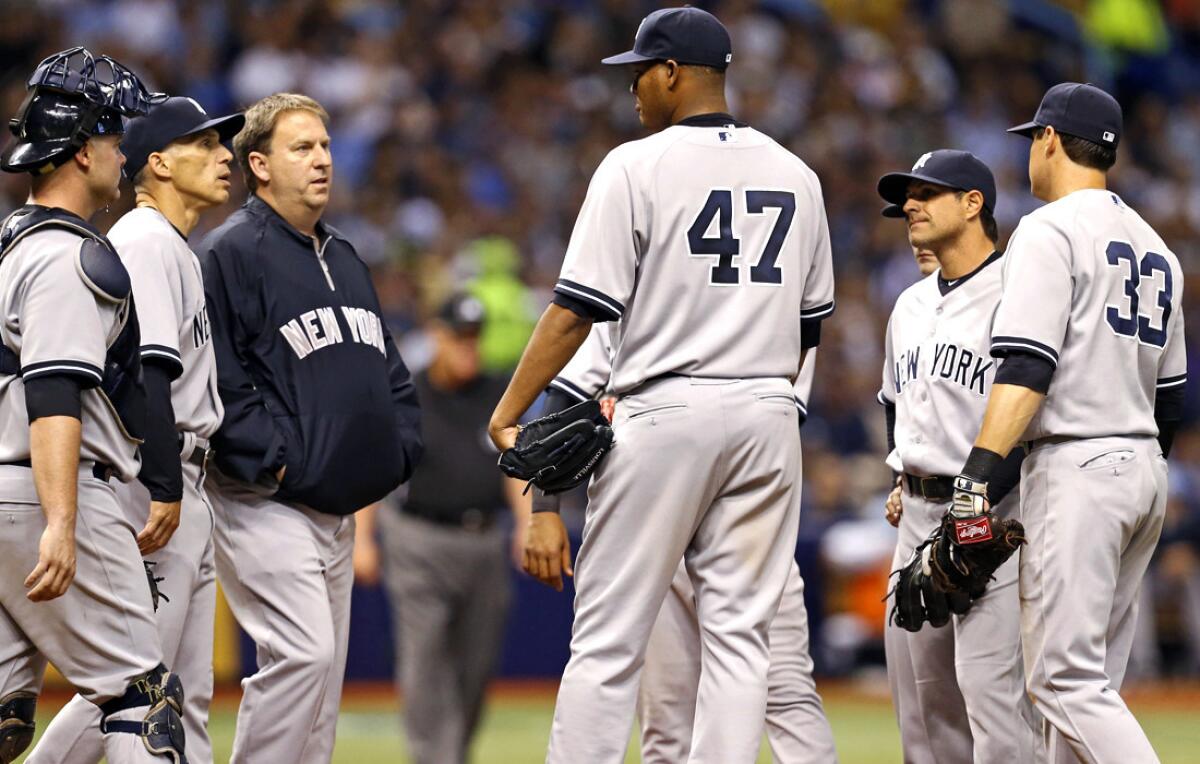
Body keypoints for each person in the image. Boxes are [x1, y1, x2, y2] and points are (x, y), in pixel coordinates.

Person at [488, 8, 836, 761]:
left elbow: (577, 311)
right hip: (768, 414)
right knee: (743, 640)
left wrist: (510, 410)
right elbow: (810, 328)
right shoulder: (797, 174)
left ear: (674, 72)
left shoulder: (634, 165)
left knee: (610, 639)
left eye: (640, 71)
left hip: (666, 405)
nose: (633, 88)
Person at [950, 82, 1186, 764]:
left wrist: (976, 482)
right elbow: (1170, 398)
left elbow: (1026, 370)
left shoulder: (1049, 229)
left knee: (1061, 681)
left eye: (1033, 140)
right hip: (1142, 468)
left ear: (1049, 140)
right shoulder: (1157, 248)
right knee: (1089, 689)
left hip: (1079, 465)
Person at [198, 92, 423, 764]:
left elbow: (389, 372)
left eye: (324, 146)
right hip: (263, 501)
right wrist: (280, 463)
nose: (322, 159)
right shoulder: (230, 252)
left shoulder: (346, 255)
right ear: (259, 166)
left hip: (338, 506)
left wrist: (398, 450)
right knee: (304, 653)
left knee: (321, 694)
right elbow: (221, 380)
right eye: (302, 148)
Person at [27, 96, 243, 764]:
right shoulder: (145, 242)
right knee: (133, 690)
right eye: (204, 146)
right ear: (159, 163)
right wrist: (162, 481)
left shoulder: (171, 247)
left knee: (181, 695)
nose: (225, 156)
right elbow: (147, 374)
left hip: (179, 477)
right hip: (152, 479)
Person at [0, 47, 187, 763]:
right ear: (80, 153)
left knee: (7, 719)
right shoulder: (68, 257)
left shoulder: (10, 243)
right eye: (113, 138)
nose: (123, 153)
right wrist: (60, 523)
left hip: (5, 490)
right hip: (45, 487)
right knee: (143, 704)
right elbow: (54, 394)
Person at [532, 329, 837, 763]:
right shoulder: (638, 289)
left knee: (785, 691)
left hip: (730, 512)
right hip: (668, 516)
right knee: (669, 716)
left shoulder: (768, 302)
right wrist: (544, 504)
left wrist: (544, 503)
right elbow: (573, 385)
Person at [875, 150, 1040, 763]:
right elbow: (895, 401)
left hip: (989, 514)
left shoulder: (1017, 294)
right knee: (923, 704)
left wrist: (975, 510)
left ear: (974, 204)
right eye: (906, 199)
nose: (910, 206)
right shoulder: (908, 305)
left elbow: (1026, 415)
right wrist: (900, 471)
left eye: (927, 194)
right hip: (917, 514)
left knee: (991, 697)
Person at [354, 293, 530, 764]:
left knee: (476, 667)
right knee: (424, 663)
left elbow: (514, 466)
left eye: (474, 339)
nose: (468, 348)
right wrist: (364, 537)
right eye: (459, 338)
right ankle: (436, 757)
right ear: (437, 336)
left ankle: (453, 753)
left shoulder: (498, 392)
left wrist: (527, 526)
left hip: (484, 541)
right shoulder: (409, 394)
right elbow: (376, 468)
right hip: (418, 541)